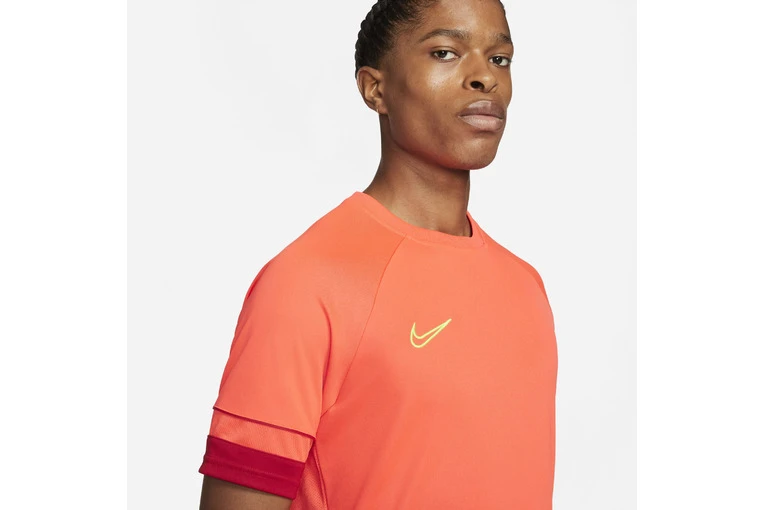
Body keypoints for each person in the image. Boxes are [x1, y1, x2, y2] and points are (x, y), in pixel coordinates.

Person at [198, 0, 558, 508]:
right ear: (375, 89)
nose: (485, 77)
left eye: (500, 59)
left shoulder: (526, 287)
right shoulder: (305, 284)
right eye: (445, 52)